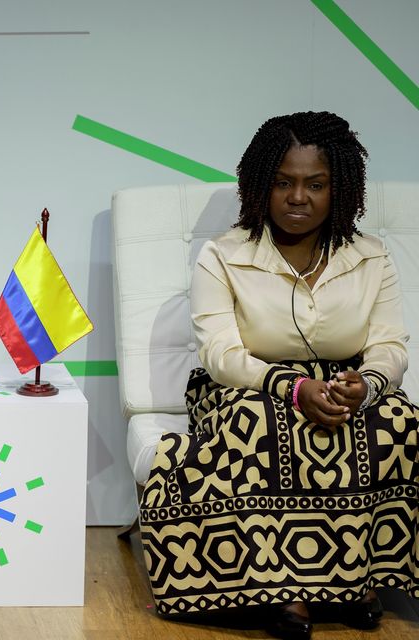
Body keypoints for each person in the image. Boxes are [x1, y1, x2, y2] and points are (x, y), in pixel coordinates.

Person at [139, 111, 418, 640]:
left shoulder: (371, 257)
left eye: (315, 184)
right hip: (244, 385)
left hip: (346, 381)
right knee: (266, 426)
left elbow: (388, 344)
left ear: (340, 190)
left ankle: (359, 578)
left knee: (394, 423)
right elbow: (220, 352)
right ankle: (287, 590)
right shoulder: (223, 255)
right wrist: (291, 387)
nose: (297, 197)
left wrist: (368, 385)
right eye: (283, 182)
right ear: (261, 185)